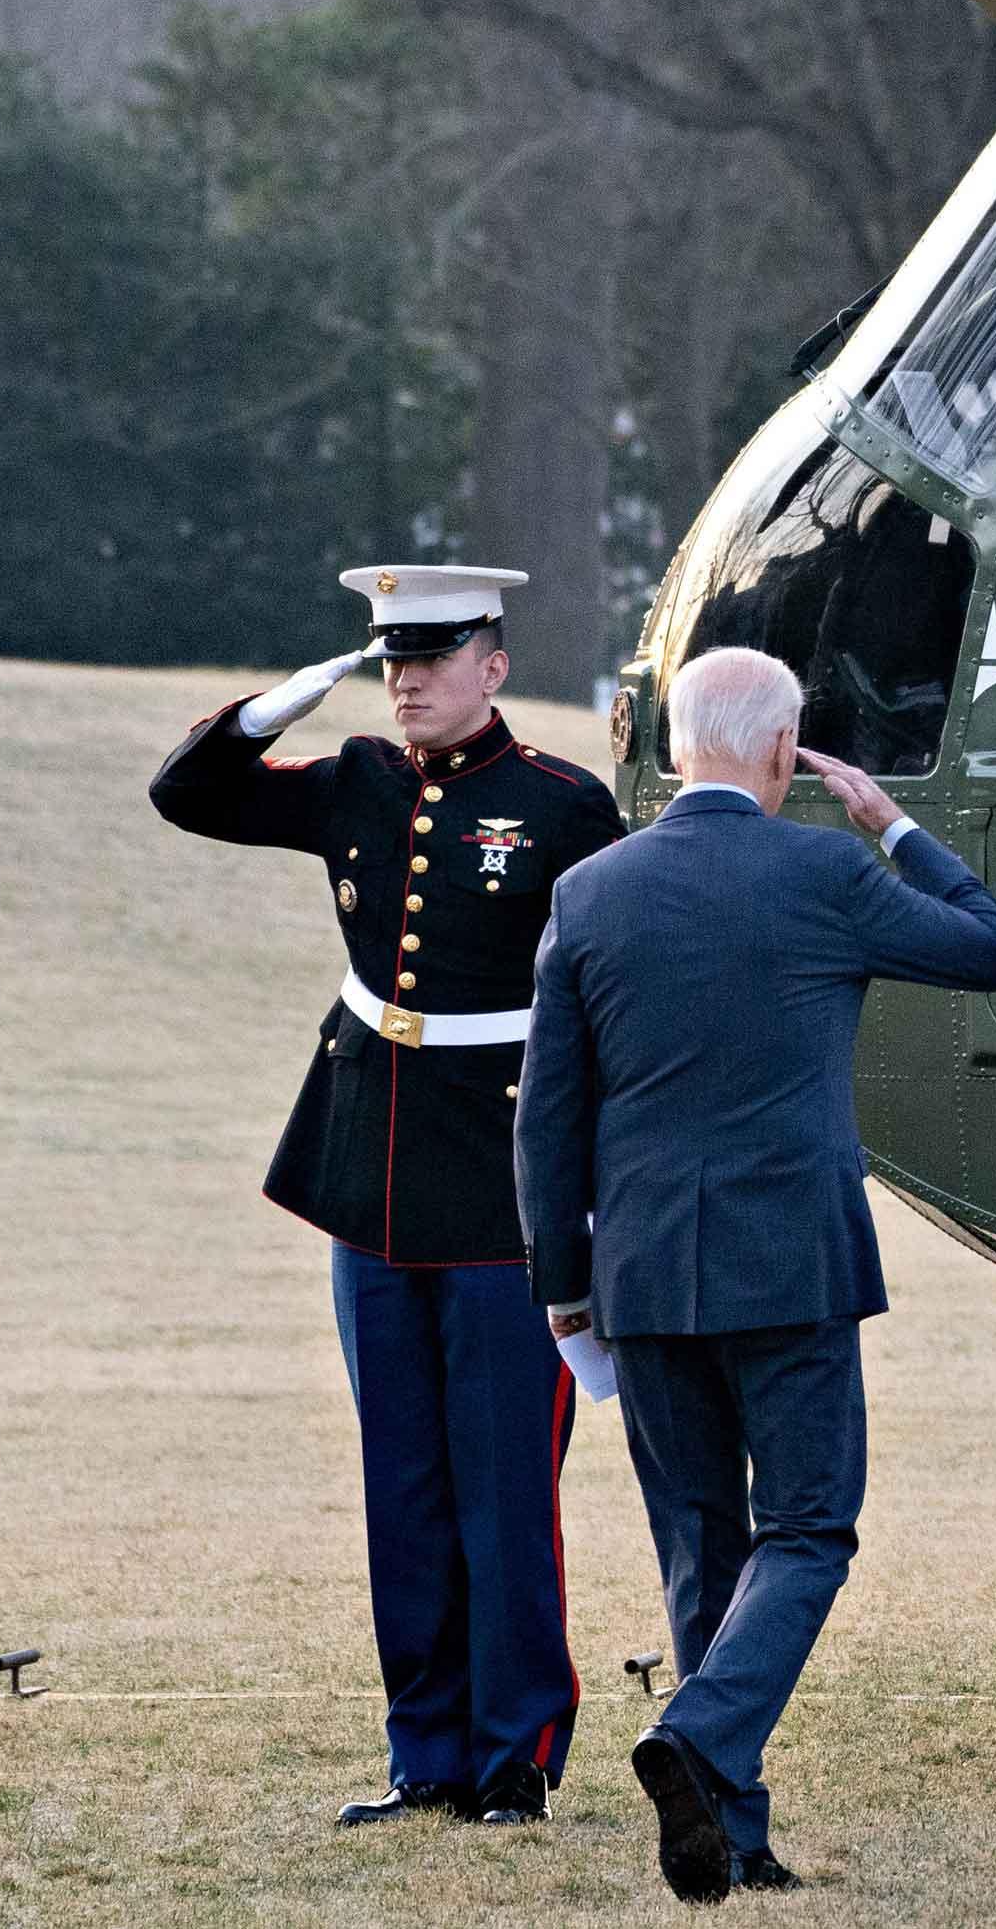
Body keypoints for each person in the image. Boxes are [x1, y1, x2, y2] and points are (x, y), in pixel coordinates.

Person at [516, 646, 996, 1903]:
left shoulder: (591, 892)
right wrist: (893, 822)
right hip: (788, 1264)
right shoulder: (824, 869)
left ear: (677, 742)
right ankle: (696, 1743)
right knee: (805, 1529)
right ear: (786, 750)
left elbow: (548, 1119)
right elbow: (990, 949)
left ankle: (729, 1835)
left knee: (702, 1544)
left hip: (640, 1272)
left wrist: (562, 1285)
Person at [148, 563, 623, 1830]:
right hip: (372, 1172)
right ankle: (425, 1755)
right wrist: (279, 704)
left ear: (494, 665)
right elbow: (185, 793)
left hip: (506, 1184)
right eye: (389, 658)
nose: (406, 679)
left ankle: (512, 1753)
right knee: (402, 1480)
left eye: (433, 656)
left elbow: (619, 979)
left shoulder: (565, 806)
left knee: (507, 1483)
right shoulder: (356, 779)